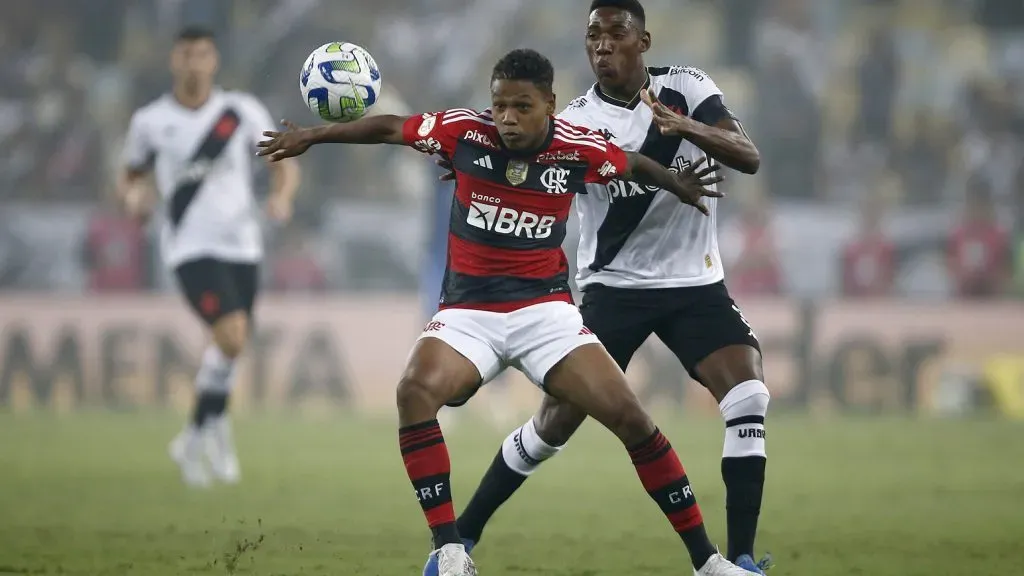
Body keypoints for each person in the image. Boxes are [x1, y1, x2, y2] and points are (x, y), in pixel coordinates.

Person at [258, 48, 754, 576]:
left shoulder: (577, 147)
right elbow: (390, 127)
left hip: (547, 314)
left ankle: (709, 563)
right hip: (469, 312)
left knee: (632, 419)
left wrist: (676, 183)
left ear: (549, 105)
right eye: (500, 106)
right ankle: (450, 550)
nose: (508, 119)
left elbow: (630, 162)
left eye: (522, 107)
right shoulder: (464, 133)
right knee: (413, 391)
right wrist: (311, 136)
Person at [428, 1, 773, 574]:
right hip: (613, 287)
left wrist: (682, 125)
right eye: (593, 36)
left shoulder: (688, 88)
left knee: (749, 396)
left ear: (644, 41)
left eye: (617, 33)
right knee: (553, 425)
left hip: (695, 283)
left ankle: (739, 559)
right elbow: (513, 150)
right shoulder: (577, 122)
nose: (603, 45)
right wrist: (475, 164)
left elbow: (749, 157)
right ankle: (462, 535)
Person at [117, 26, 301, 487]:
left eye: (202, 54)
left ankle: (201, 435)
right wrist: (133, 198)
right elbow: (130, 176)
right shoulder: (151, 121)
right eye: (185, 55)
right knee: (233, 336)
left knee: (229, 348)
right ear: (173, 61)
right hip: (189, 246)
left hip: (243, 244)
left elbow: (283, 162)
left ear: (214, 61)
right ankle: (206, 433)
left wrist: (282, 197)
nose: (194, 63)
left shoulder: (239, 111)